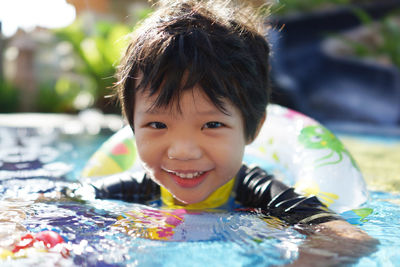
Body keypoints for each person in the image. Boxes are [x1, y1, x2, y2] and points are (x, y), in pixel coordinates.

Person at [83, 0, 377, 265]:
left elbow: (350, 238)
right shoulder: (132, 189)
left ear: (253, 128)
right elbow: (61, 202)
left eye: (212, 125)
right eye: (158, 125)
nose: (182, 151)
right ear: (132, 127)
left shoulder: (260, 192)